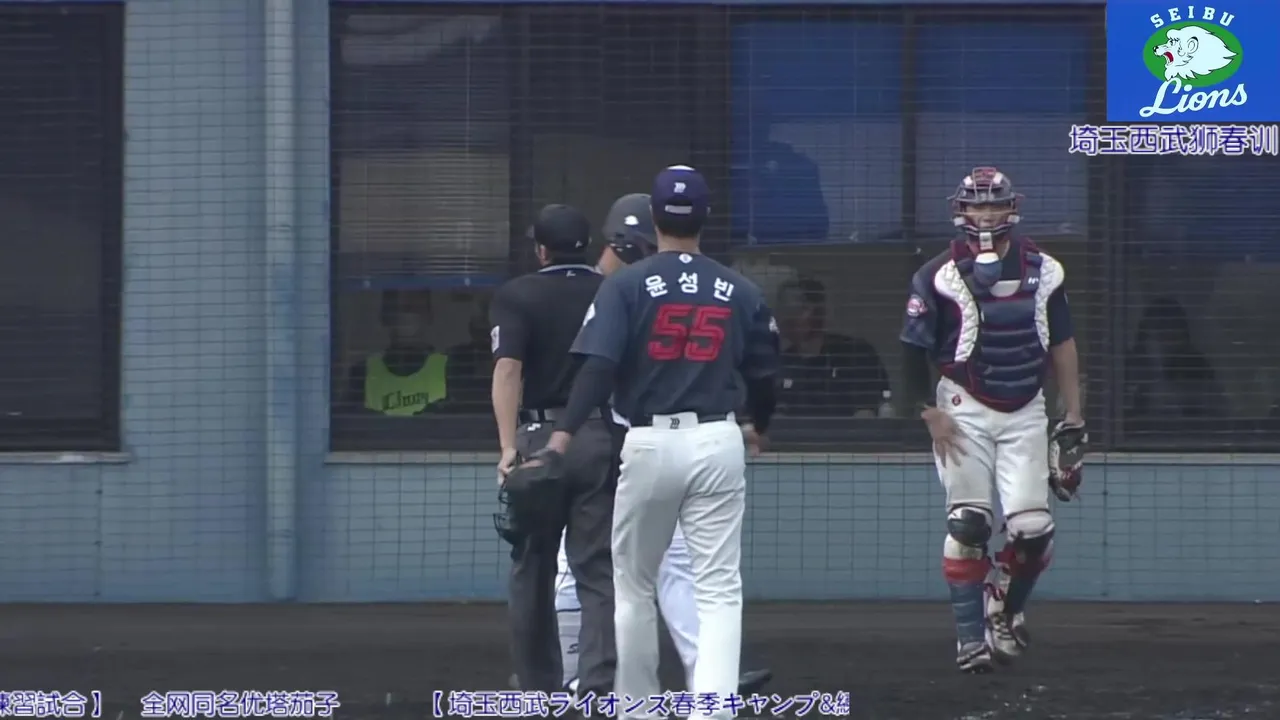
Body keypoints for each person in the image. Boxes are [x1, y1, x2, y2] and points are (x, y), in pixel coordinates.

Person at [515, 166, 781, 719]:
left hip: (649, 440)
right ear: (706, 218)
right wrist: (760, 422)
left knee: (632, 585)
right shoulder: (740, 287)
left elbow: (597, 369)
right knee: (718, 589)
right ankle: (713, 709)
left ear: (654, 218)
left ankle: (636, 707)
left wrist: (561, 437)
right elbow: (765, 372)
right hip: (717, 438)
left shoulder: (626, 285)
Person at [898, 167, 1086, 674]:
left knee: (1033, 529)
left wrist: (1073, 415)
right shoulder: (937, 274)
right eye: (976, 205)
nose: (985, 214)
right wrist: (928, 412)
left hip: (1025, 407)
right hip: (963, 406)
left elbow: (1062, 343)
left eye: (993, 204)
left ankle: (1004, 605)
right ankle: (969, 640)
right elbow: (911, 350)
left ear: (1011, 207)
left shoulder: (1045, 270)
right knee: (969, 522)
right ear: (961, 211)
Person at [489, 204, 617, 697]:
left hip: (539, 437)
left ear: (541, 249)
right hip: (599, 434)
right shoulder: (612, 290)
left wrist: (507, 447)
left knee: (533, 567)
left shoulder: (517, 293)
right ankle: (598, 686)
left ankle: (538, 686)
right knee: (596, 568)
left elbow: (507, 370)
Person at [776, 275, 889, 417]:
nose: (786, 318)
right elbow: (774, 418)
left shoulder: (855, 354)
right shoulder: (781, 365)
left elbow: (866, 414)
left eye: (803, 309)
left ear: (821, 310)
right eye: (785, 310)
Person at [345, 290, 449, 416]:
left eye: (414, 307)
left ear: (429, 315)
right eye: (399, 307)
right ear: (384, 317)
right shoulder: (362, 373)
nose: (407, 312)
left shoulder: (450, 369)